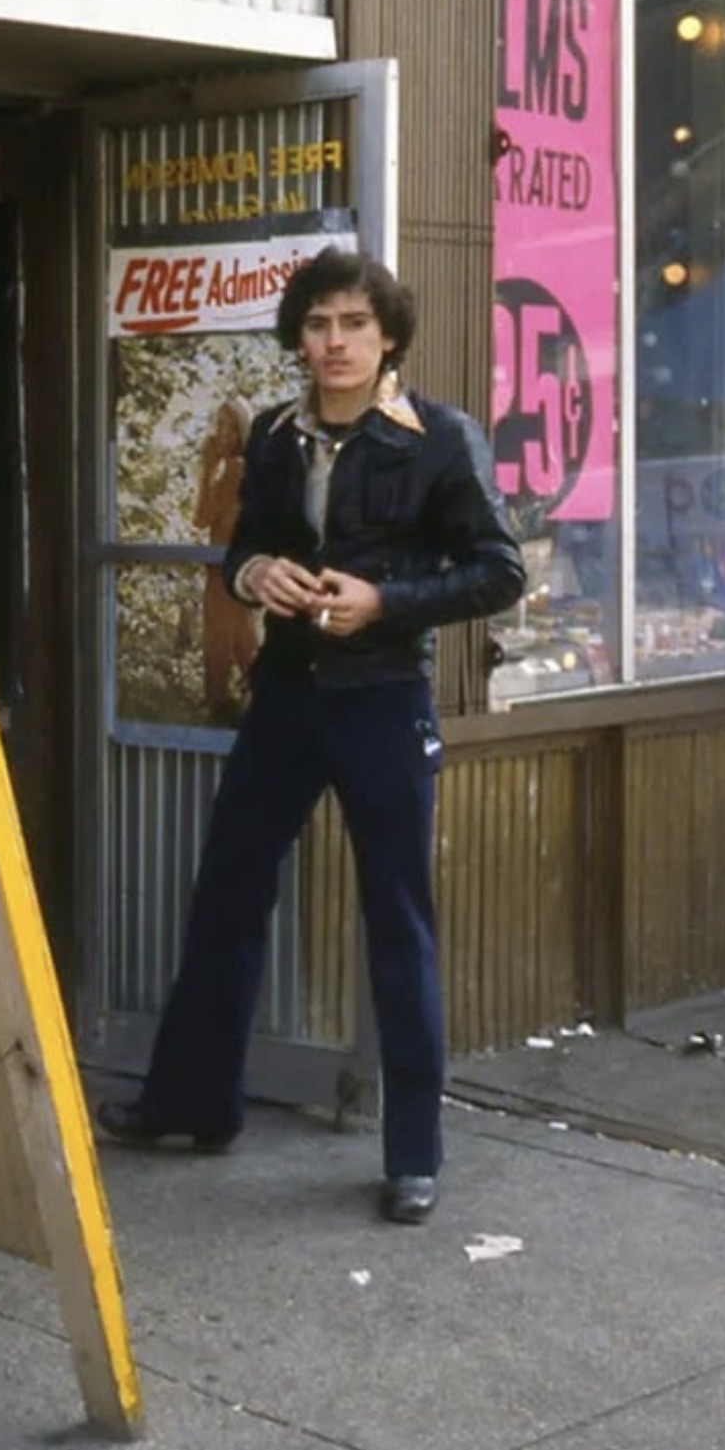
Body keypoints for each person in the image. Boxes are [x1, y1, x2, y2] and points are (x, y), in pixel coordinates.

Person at [96, 247, 525, 1226]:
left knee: (398, 922)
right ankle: (193, 1106)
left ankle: (412, 1154)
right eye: (318, 325)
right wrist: (255, 579)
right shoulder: (281, 437)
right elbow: (247, 544)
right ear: (299, 337)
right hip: (286, 696)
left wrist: (384, 600)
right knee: (225, 896)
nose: (333, 343)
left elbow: (498, 572)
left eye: (352, 325)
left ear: (388, 341)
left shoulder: (438, 439)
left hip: (382, 703)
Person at [186, 397, 261, 720]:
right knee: (225, 650)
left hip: (229, 576)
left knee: (233, 650)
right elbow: (201, 520)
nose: (223, 434)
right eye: (220, 426)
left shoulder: (238, 471)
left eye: (230, 427)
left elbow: (204, 518)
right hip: (220, 576)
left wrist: (209, 470)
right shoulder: (226, 471)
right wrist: (206, 469)